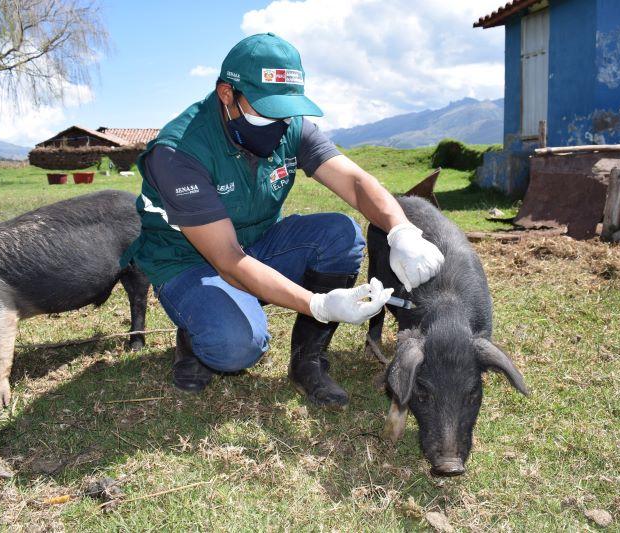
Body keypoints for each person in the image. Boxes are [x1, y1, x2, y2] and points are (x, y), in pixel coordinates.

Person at [121, 33, 443, 408]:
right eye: (265, 109)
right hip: (190, 262)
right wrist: (318, 304)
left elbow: (355, 183)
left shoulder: (291, 126)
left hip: (256, 244)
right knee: (237, 346)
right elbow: (227, 260)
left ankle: (307, 362)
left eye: (285, 110)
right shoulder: (179, 152)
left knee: (340, 235)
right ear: (227, 94)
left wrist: (402, 231)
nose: (279, 123)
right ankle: (196, 331)